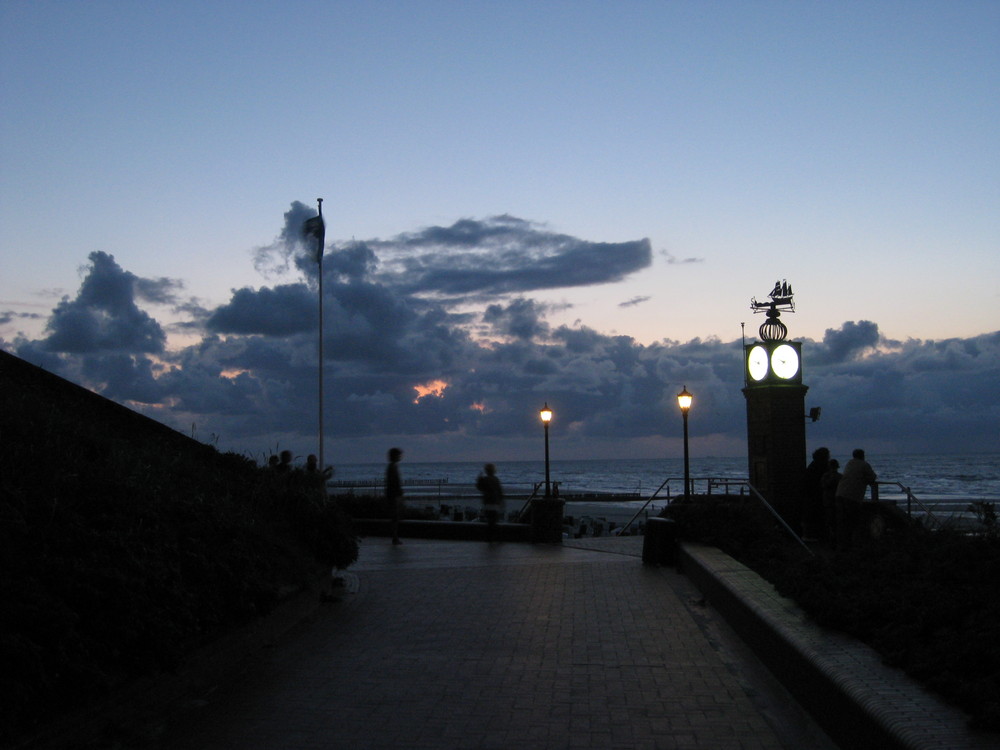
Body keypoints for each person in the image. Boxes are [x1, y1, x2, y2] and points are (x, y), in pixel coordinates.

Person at [835, 448, 877, 548]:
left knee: (842, 520)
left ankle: (841, 543)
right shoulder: (864, 464)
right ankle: (851, 544)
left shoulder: (850, 463)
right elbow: (872, 477)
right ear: (862, 455)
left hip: (840, 494)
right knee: (853, 520)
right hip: (852, 496)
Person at [802, 447, 830, 541]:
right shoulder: (823, 467)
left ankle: (810, 534)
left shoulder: (812, 466)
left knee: (811, 515)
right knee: (818, 514)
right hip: (818, 494)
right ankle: (818, 535)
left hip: (810, 494)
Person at [476, 463, 505, 542]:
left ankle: (490, 538)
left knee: (490, 521)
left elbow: (480, 487)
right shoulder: (496, 479)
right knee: (494, 521)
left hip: (488, 503)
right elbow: (500, 491)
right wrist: (502, 501)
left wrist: (479, 478)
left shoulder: (485, 479)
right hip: (495, 503)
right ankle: (497, 537)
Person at [821, 458, 842, 546]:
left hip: (832, 500)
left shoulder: (829, 476)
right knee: (832, 520)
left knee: (833, 520)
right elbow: (824, 485)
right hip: (831, 500)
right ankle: (832, 538)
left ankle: (834, 538)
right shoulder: (838, 476)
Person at [385, 447, 404, 545]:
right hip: (394, 495)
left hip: (394, 495)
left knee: (395, 517)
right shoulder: (393, 467)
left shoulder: (392, 466)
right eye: (399, 455)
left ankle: (395, 536)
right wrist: (398, 493)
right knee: (395, 517)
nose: (400, 457)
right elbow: (393, 482)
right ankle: (394, 537)